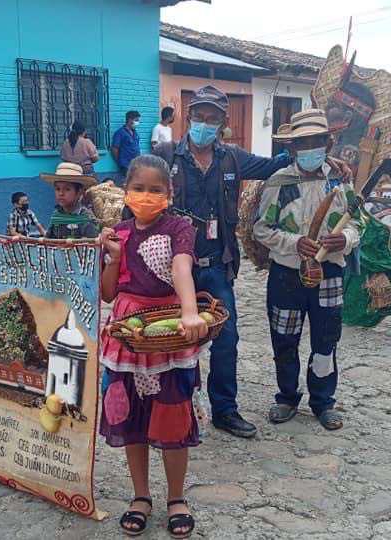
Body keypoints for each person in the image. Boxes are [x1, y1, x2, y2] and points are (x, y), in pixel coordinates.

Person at [152, 85, 291, 438]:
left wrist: (310, 151)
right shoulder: (166, 156)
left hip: (216, 265)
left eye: (212, 118)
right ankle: (169, 411)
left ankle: (225, 410)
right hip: (172, 268)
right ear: (188, 116)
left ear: (223, 123)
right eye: (198, 116)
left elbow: (274, 165)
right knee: (172, 339)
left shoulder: (232, 159)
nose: (203, 123)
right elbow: (140, 194)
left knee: (226, 339)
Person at [98, 154, 205, 539]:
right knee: (132, 418)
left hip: (168, 330)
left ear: (169, 193)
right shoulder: (119, 231)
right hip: (128, 331)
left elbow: (181, 268)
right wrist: (110, 257)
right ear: (126, 193)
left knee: (173, 415)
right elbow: (109, 293)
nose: (146, 195)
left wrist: (190, 312)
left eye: (155, 189)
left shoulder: (179, 227)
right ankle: (140, 495)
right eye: (139, 188)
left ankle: (177, 497)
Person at [252, 108, 357, 430]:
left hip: (330, 273)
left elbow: (358, 222)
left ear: (327, 143)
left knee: (327, 338)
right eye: (303, 142)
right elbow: (261, 228)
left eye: (317, 140)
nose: (311, 146)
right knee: (284, 338)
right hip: (286, 275)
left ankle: (323, 401)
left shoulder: (340, 181)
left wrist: (346, 239)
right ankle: (286, 397)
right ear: (293, 147)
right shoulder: (279, 183)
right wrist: (294, 242)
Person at [41, 162, 100, 239]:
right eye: (57, 189)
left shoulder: (86, 217)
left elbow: (91, 244)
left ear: (79, 192)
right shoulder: (56, 215)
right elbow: (48, 240)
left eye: (67, 189)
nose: (61, 193)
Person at [111, 111, 141, 179]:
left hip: (136, 165)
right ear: (130, 120)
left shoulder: (135, 133)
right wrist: (119, 161)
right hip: (126, 165)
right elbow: (114, 149)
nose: (138, 122)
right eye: (136, 120)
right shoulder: (120, 133)